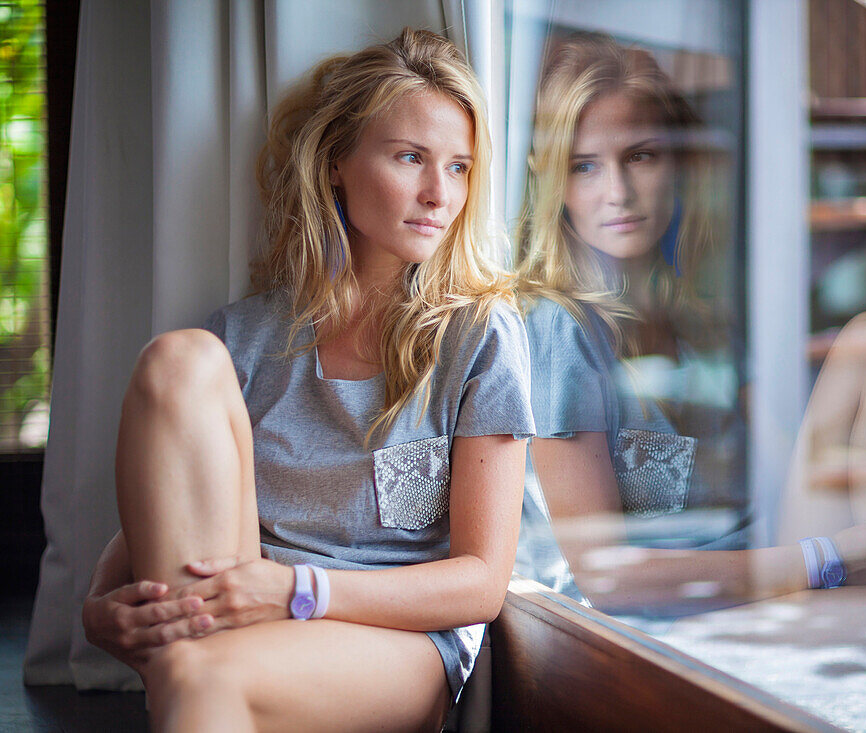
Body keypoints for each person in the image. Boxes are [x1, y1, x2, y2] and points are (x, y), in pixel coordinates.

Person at [81, 28, 534, 732]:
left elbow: (482, 580)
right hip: (229, 619)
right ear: (335, 164)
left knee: (195, 672)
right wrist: (100, 606)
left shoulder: (481, 336)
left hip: (396, 643)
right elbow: (166, 509)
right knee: (178, 358)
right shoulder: (250, 339)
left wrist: (296, 589)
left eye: (460, 167)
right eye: (410, 157)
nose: (437, 193)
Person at [513, 32, 866, 616]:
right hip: (650, 625)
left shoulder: (691, 314)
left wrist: (842, 544)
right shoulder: (557, 330)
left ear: (678, 162)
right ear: (554, 185)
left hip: (756, 567)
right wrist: (824, 557)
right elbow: (608, 579)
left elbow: (776, 474)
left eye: (641, 155)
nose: (618, 192)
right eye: (584, 166)